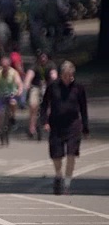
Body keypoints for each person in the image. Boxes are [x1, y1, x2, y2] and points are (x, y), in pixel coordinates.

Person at [41, 61, 88, 195]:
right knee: (56, 154)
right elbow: (44, 104)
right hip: (56, 124)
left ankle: (67, 183)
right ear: (61, 74)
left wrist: (85, 127)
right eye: (66, 75)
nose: (68, 78)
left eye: (70, 75)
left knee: (71, 153)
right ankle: (58, 175)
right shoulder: (53, 86)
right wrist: (44, 121)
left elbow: (84, 108)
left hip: (73, 124)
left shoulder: (78, 88)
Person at [0, 56, 24, 136]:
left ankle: (12, 117)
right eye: (3, 66)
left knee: (13, 102)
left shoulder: (13, 72)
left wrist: (19, 90)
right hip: (0, 94)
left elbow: (19, 83)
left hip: (11, 94)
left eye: (6, 66)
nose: (5, 68)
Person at [24, 52, 58, 138]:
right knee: (33, 104)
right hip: (36, 87)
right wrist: (27, 84)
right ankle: (32, 127)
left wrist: (54, 79)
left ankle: (48, 123)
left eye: (44, 56)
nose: (43, 58)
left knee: (50, 104)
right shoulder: (35, 65)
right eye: (41, 57)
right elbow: (30, 74)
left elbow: (54, 74)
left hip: (48, 87)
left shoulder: (51, 65)